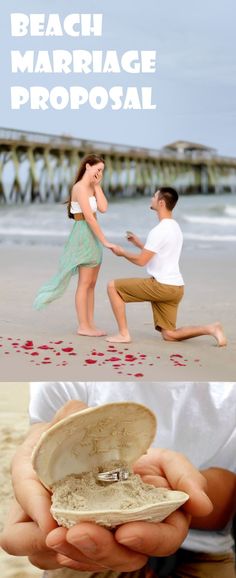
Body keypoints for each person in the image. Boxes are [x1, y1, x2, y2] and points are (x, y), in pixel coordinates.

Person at [1, 381, 235, 578]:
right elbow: (45, 439)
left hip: (207, 547)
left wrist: (180, 495)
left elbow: (223, 507)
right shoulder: (70, 374)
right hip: (81, 551)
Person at [106, 187, 227, 345]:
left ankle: (123, 334)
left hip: (161, 287)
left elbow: (142, 261)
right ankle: (211, 329)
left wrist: (122, 253)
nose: (151, 198)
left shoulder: (159, 230)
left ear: (161, 203)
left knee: (113, 287)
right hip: (176, 288)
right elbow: (160, 255)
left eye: (154, 196)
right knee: (169, 335)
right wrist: (139, 244)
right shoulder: (175, 227)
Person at [33, 154, 116, 336]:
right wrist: (104, 240)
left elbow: (103, 208)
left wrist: (97, 185)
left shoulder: (92, 187)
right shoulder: (79, 188)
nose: (100, 173)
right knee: (84, 283)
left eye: (102, 170)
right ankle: (83, 326)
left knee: (92, 284)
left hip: (92, 234)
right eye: (98, 169)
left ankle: (90, 324)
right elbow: (87, 217)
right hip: (84, 234)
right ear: (88, 166)